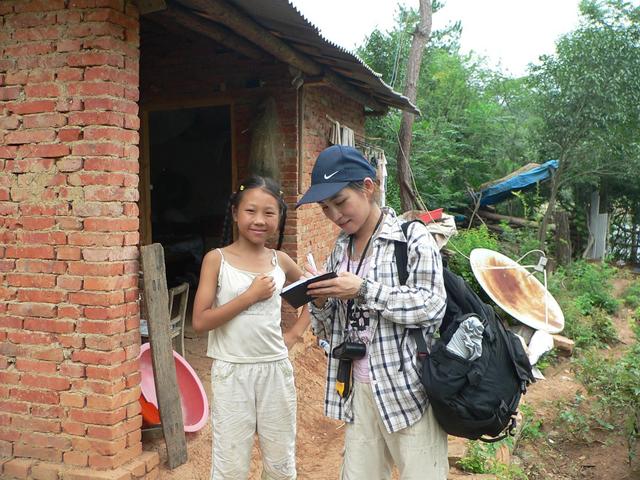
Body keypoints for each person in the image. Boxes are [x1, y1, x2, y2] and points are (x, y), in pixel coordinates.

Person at [297, 145, 449, 479]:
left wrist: (364, 289)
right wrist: (319, 302)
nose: (335, 215)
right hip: (356, 391)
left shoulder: (411, 239)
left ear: (368, 187)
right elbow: (326, 329)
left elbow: (432, 305)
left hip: (408, 391)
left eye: (340, 202)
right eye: (325, 208)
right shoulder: (340, 251)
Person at [193, 175, 310, 480]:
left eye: (269, 213)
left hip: (275, 370)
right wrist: (249, 297)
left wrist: (295, 333)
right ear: (235, 213)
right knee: (230, 464)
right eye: (250, 211)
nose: (259, 220)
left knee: (280, 461)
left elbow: (315, 295)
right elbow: (200, 320)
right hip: (232, 371)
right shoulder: (216, 260)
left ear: (280, 217)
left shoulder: (281, 261)